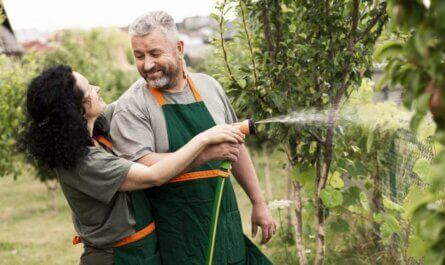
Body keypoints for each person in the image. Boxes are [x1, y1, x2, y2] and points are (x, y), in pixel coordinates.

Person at [21, 65, 245, 265]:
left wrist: (155, 70)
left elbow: (130, 101)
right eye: (90, 88)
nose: (97, 88)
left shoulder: (96, 130)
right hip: (115, 257)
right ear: (77, 108)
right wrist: (204, 142)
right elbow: (154, 175)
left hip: (142, 249)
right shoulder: (85, 163)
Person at [110, 11, 275, 264]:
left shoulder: (210, 87)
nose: (147, 65)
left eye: (155, 53)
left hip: (224, 226)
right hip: (176, 238)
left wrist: (258, 202)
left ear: (179, 48)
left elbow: (235, 147)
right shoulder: (132, 106)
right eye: (139, 56)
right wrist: (205, 152)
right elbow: (141, 167)